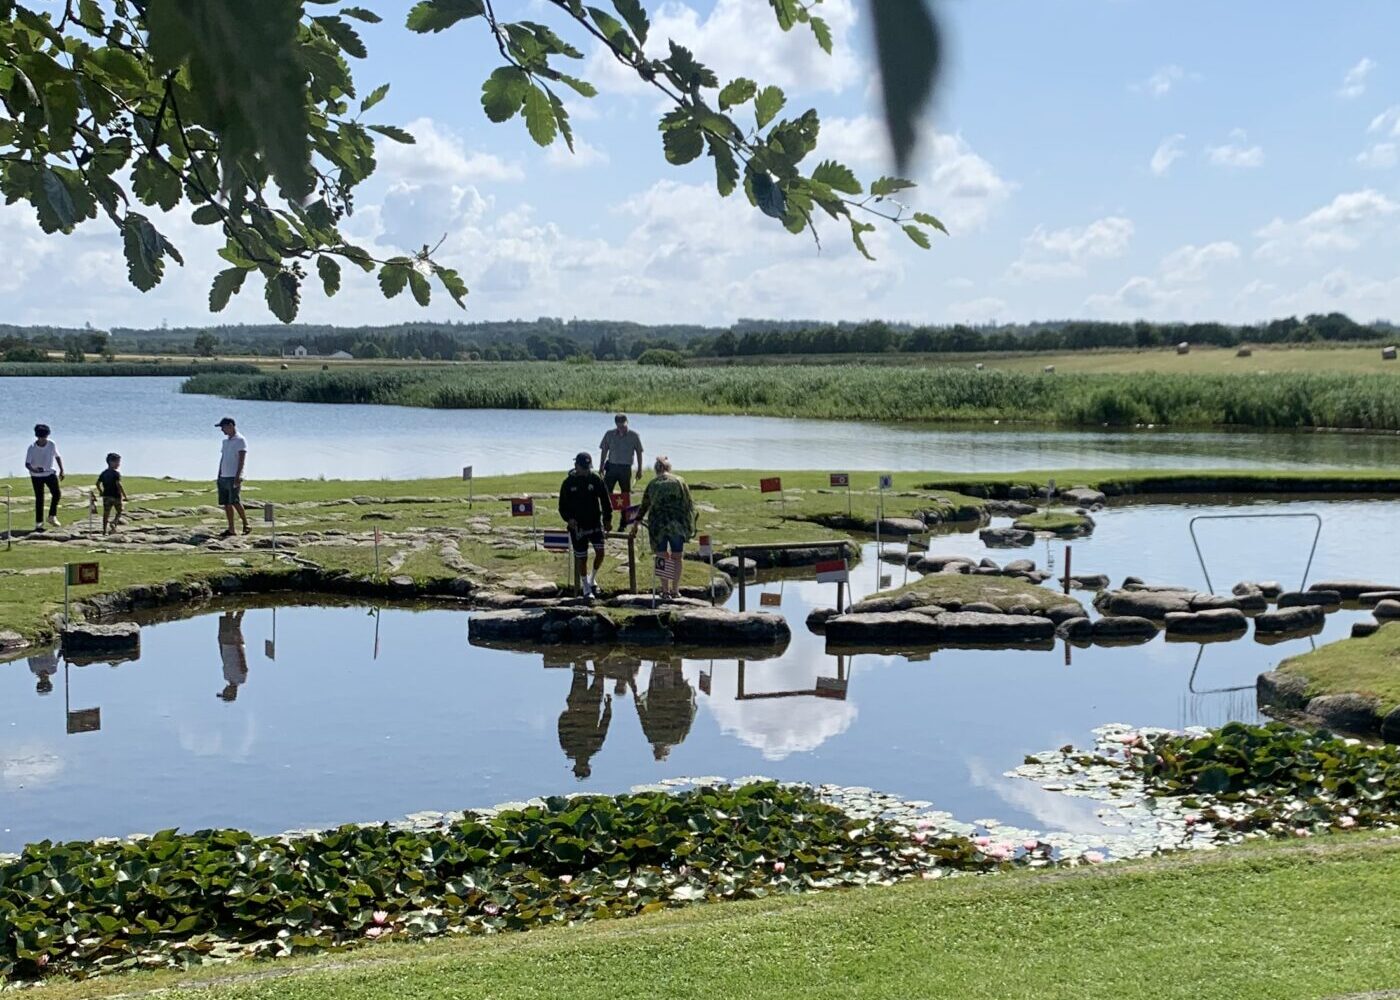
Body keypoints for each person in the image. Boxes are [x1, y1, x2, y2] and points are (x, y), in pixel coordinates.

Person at [629, 456, 697, 599]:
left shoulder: (653, 484)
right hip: (676, 524)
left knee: (662, 556)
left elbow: (644, 506)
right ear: (669, 468)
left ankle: (665, 591)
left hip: (657, 525)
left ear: (656, 469)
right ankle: (675, 590)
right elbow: (688, 504)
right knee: (677, 556)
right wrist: (689, 524)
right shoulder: (679, 481)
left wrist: (635, 524)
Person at [559, 451, 612, 598]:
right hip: (578, 527)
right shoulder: (568, 483)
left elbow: (605, 500)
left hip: (595, 523)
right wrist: (568, 519)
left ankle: (592, 578)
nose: (587, 470)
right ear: (576, 466)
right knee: (582, 558)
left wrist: (607, 519)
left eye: (588, 467)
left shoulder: (595, 479)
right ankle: (585, 587)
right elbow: (562, 507)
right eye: (584, 468)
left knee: (600, 552)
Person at [556, 662, 612, 780]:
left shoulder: (571, 748)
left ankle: (590, 655)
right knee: (594, 674)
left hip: (582, 705)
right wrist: (608, 708)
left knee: (583, 673)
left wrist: (608, 708)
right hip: (588, 706)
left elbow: (562, 724)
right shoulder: (591, 747)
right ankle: (596, 654)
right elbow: (604, 725)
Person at [25, 423, 64, 531]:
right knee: (39, 498)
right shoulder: (32, 448)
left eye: (44, 437)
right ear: (37, 436)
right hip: (36, 476)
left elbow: (57, 456)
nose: (43, 439)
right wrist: (34, 469)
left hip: (49, 473)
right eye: (41, 437)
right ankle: (39, 522)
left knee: (56, 493)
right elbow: (27, 464)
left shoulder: (51, 444)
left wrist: (61, 470)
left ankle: (52, 516)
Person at [215, 417, 250, 537]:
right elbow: (223, 458)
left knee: (235, 501)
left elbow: (241, 460)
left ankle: (246, 524)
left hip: (233, 476)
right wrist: (219, 474)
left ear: (230, 426)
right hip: (224, 476)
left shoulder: (240, 440)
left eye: (223, 427)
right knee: (226, 503)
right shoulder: (225, 442)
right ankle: (231, 529)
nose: (222, 430)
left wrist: (238, 475)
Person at [598, 413, 644, 497]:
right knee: (606, 491)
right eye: (619, 426)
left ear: (627, 422)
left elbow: (639, 453)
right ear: (616, 424)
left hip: (625, 468)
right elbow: (604, 451)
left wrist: (640, 469)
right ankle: (607, 505)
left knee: (625, 493)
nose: (622, 429)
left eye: (623, 426)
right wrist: (601, 465)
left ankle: (626, 506)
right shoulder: (609, 434)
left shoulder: (634, 436)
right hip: (611, 467)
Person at [217, 609, 248, 701]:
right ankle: (242, 605)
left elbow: (224, 659)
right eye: (225, 693)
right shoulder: (241, 679)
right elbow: (242, 662)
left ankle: (230, 607)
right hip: (234, 645)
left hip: (225, 644)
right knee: (236, 624)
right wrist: (238, 644)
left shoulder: (226, 677)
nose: (224, 690)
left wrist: (220, 643)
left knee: (227, 622)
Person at [95, 453, 127, 534]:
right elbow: (118, 484)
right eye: (117, 462)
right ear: (111, 462)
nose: (118, 464)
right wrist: (124, 495)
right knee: (120, 511)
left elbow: (97, 484)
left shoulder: (104, 473)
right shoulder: (116, 473)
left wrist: (101, 492)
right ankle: (114, 522)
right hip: (116, 496)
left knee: (106, 513)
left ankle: (104, 530)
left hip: (106, 496)